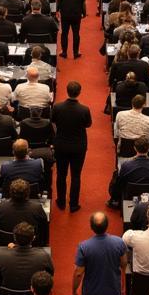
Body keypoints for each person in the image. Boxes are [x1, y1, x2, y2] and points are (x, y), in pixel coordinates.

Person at [52, 80, 92, 210]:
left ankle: (61, 202)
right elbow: (88, 124)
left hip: (61, 145)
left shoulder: (57, 107)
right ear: (79, 93)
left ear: (67, 91)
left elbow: (53, 121)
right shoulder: (84, 109)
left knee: (61, 174)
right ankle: (74, 204)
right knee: (76, 176)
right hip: (78, 146)